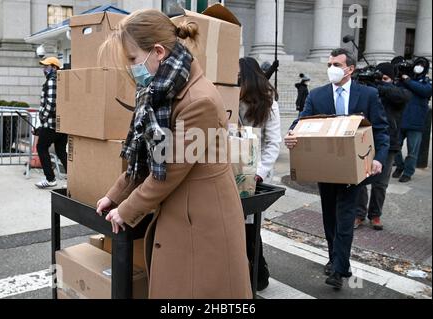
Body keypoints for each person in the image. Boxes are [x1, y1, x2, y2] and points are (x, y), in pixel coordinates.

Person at [95, 9, 252, 299]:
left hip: (203, 224)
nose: (131, 68)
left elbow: (166, 171)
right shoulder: (161, 91)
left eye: (132, 59)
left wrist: (125, 210)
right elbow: (144, 160)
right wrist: (114, 195)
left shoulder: (197, 100)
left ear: (157, 52)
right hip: (187, 214)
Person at [284, 48, 389, 290]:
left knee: (345, 217)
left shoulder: (368, 95)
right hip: (327, 169)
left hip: (355, 169)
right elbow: (301, 122)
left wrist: (378, 159)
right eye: (329, 63)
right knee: (330, 218)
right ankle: (336, 259)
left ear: (350, 69)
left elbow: (381, 132)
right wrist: (292, 134)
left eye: (336, 64)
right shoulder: (318, 95)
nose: (331, 67)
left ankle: (339, 269)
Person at [239, 57, 281, 291]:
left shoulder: (268, 104)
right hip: (233, 171)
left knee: (250, 227)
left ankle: (258, 274)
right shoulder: (232, 98)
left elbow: (273, 143)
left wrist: (259, 173)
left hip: (255, 175)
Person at [355, 63, 411, 230]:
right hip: (365, 141)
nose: (381, 82)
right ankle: (359, 214)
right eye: (379, 78)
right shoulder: (367, 91)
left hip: (389, 143)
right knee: (361, 180)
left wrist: (377, 84)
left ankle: (375, 215)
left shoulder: (399, 91)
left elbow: (401, 97)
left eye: (385, 79)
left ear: (392, 79)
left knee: (380, 183)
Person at [392, 57, 432, 183]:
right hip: (401, 119)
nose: (418, 66)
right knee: (395, 148)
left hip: (416, 122)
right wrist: (400, 77)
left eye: (422, 65)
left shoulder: (426, 82)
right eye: (417, 64)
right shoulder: (403, 80)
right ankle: (400, 166)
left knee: (412, 151)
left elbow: (425, 91)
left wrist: (407, 80)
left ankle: (408, 172)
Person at [35, 57, 68, 189]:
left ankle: (50, 179)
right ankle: (73, 178)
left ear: (54, 68)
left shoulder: (52, 81)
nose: (44, 69)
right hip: (61, 124)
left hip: (51, 124)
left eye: (47, 66)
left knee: (41, 147)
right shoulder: (62, 81)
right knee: (60, 151)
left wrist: (42, 117)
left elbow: (52, 103)